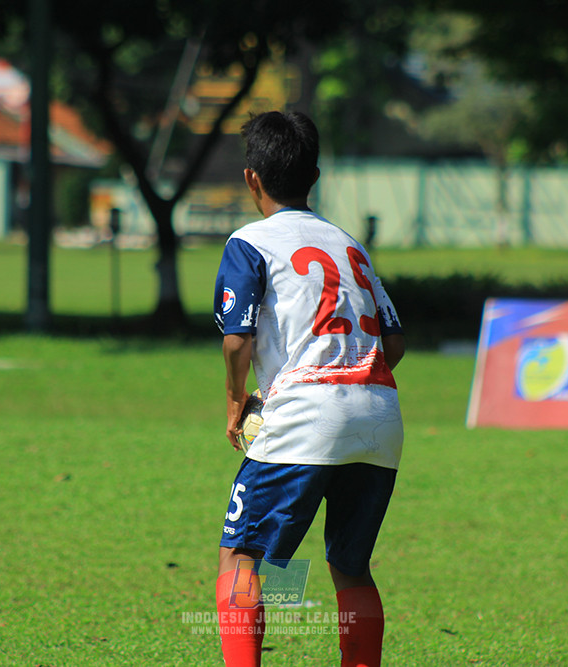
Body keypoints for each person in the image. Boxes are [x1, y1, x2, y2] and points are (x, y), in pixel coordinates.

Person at [213, 110, 405, 667]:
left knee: (241, 559)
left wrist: (235, 400)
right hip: (379, 414)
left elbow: (237, 340)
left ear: (252, 178)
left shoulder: (249, 242)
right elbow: (394, 345)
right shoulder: (350, 245)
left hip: (304, 411)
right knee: (350, 564)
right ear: (313, 177)